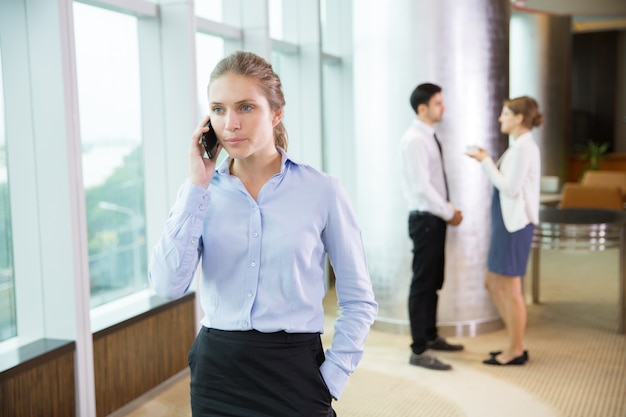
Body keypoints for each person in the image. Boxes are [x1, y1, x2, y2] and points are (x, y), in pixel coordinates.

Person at [148, 51, 378, 416]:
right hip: (217, 375)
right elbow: (167, 284)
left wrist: (333, 377)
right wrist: (197, 184)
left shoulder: (322, 190)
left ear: (276, 113)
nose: (231, 123)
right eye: (219, 109)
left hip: (295, 371)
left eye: (246, 107)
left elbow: (359, 300)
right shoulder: (200, 194)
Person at [466, 96, 543, 366]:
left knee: (511, 289)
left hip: (514, 226)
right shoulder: (519, 147)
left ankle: (516, 348)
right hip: (506, 225)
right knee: (493, 283)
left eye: (505, 113)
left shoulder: (524, 148)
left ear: (519, 118)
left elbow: (509, 188)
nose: (501, 118)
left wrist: (485, 161)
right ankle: (514, 342)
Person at [399, 83, 464, 371]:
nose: (444, 107)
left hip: (434, 218)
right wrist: (448, 211)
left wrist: (446, 213)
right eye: (438, 103)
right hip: (426, 219)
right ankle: (418, 350)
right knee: (423, 284)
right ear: (422, 107)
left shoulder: (427, 137)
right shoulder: (415, 139)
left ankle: (430, 335)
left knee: (433, 281)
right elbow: (421, 187)